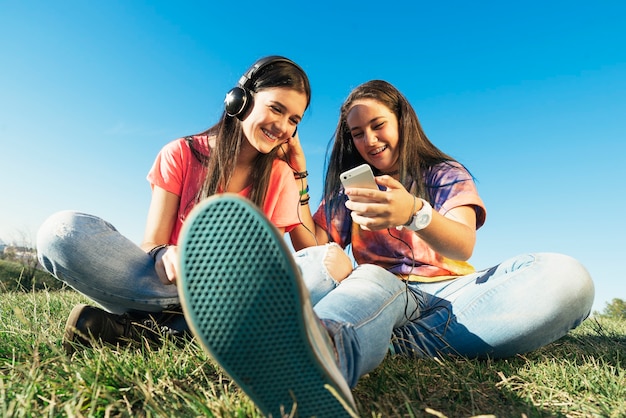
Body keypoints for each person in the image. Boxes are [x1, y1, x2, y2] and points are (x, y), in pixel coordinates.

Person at [174, 80, 595, 416]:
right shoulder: (347, 195)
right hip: (383, 292)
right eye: (357, 134)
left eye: (378, 125)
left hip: (456, 297)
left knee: (567, 276)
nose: (370, 140)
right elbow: (316, 249)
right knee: (370, 276)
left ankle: (390, 342)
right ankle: (325, 354)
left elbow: (464, 244)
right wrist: (301, 179)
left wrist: (414, 212)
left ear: (401, 121)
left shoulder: (443, 173)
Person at [36, 55, 315, 354]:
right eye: (276, 109)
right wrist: (163, 253)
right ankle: (179, 326)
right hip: (161, 287)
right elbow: (152, 242)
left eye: (294, 120)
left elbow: (268, 267)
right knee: (61, 231)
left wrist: (299, 171)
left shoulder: (282, 178)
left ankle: (142, 330)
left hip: (229, 296)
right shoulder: (180, 153)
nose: (283, 126)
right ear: (240, 101)